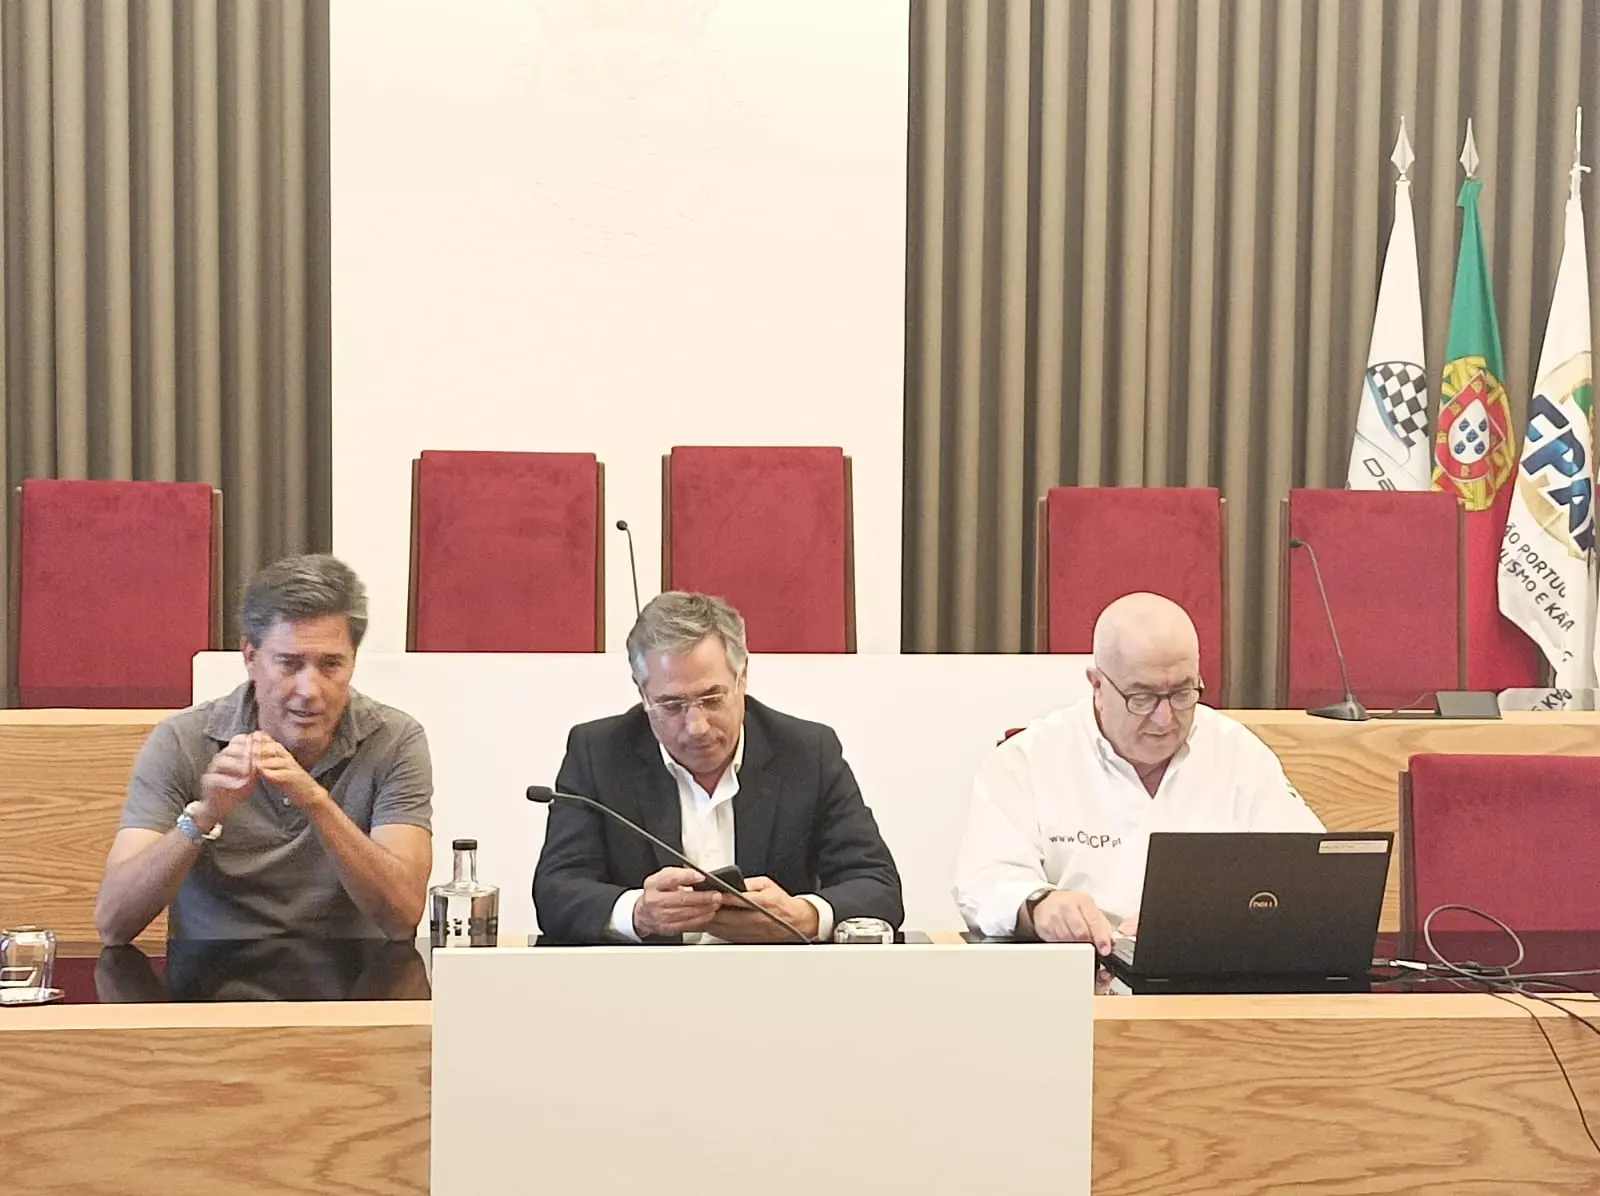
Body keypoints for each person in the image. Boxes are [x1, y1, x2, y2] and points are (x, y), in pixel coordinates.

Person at [953, 591, 1323, 952]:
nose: (1164, 718)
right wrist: (1039, 904)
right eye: (1142, 698)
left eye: (1182, 693)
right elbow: (983, 882)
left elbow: (1308, 871)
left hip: (1211, 970)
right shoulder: (1028, 759)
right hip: (1075, 973)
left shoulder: (1237, 754)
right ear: (1097, 685)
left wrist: (1215, 915)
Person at [94, 554, 433, 943]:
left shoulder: (394, 740)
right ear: (251, 657)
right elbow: (114, 924)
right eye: (289, 664)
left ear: (353, 661)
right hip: (211, 973)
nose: (309, 690)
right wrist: (204, 816)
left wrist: (316, 802)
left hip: (358, 972)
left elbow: (402, 917)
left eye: (330, 665)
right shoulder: (181, 740)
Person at [533, 591, 903, 943]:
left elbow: (878, 886)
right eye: (671, 705)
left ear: (742, 678)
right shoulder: (598, 754)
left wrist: (802, 917)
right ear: (643, 694)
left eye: (711, 698)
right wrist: (639, 913)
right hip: (643, 982)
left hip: (774, 979)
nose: (696, 726)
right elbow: (555, 892)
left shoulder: (807, 753)